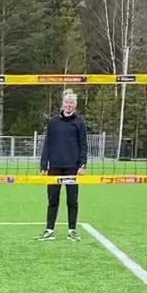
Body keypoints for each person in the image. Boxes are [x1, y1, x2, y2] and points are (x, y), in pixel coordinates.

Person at [36, 89, 87, 242]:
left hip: (72, 167)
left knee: (72, 200)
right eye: (67, 102)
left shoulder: (79, 123)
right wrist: (44, 164)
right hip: (55, 167)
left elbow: (83, 145)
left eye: (72, 103)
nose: (69, 105)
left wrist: (82, 165)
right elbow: (47, 144)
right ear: (62, 103)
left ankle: (72, 231)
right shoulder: (53, 122)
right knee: (53, 199)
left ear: (75, 105)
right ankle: (49, 230)